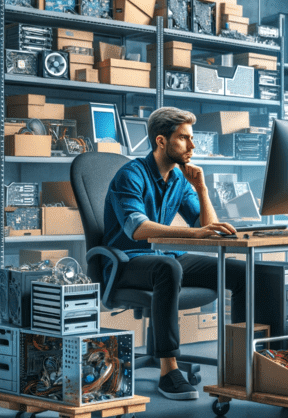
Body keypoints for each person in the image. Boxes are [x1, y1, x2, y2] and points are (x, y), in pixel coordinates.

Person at [102, 107, 247, 400]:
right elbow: (137, 229)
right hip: (126, 262)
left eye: (191, 138)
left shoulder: (179, 180)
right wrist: (192, 234)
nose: (192, 146)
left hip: (166, 256)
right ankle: (169, 370)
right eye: (184, 138)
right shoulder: (130, 176)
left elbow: (208, 227)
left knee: (239, 272)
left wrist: (202, 189)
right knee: (168, 268)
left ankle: (241, 362)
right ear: (161, 141)